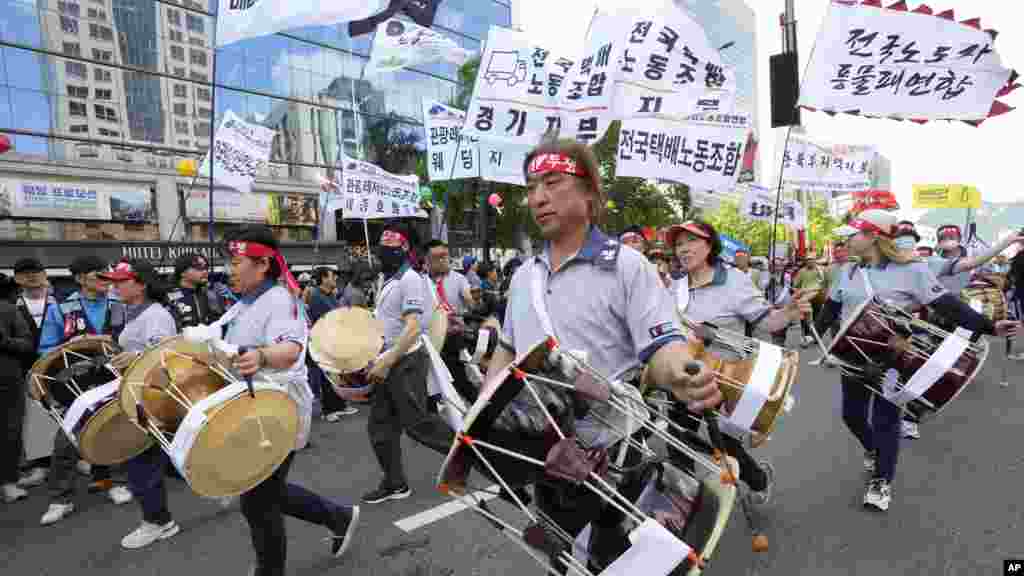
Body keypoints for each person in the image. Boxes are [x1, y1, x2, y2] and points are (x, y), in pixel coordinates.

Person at [488, 140, 719, 572]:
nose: (537, 196)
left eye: (552, 182)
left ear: (590, 195)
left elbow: (663, 348)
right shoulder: (523, 277)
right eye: (532, 186)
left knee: (620, 560)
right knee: (565, 561)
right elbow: (507, 348)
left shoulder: (628, 266)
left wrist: (682, 374)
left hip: (617, 452)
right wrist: (484, 416)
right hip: (547, 456)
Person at [814, 210, 1021, 512]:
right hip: (852, 355)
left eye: (854, 233)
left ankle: (881, 480)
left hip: (892, 354)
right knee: (852, 416)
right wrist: (811, 337)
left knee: (886, 419)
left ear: (873, 236)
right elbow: (830, 310)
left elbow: (948, 305)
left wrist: (989, 327)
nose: (847, 238)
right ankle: (874, 450)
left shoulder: (913, 270)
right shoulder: (847, 271)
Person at [209, 225, 359, 576]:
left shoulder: (280, 299)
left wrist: (261, 355)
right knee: (265, 494)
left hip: (277, 411)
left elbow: (290, 350)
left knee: (259, 502)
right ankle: (337, 517)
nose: (230, 268)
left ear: (262, 265)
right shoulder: (244, 304)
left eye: (236, 261)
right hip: (252, 409)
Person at [666, 219, 811, 507]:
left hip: (728, 378)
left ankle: (758, 479)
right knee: (677, 438)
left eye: (691, 241)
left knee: (727, 445)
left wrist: (790, 312)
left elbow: (767, 320)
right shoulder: (675, 285)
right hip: (685, 377)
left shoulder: (733, 280)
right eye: (679, 244)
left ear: (709, 245)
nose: (683, 249)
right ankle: (684, 507)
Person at [358, 225, 453, 504]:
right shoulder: (386, 280)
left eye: (390, 249)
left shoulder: (410, 279)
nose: (383, 254)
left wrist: (387, 360)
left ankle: (469, 454)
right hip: (386, 361)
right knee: (380, 427)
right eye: (381, 248)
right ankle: (395, 483)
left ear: (404, 251)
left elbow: (412, 328)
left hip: (405, 360)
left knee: (417, 423)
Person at [37, 256, 133, 526]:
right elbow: (45, 348)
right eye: (98, 275)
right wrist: (71, 346)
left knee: (115, 429)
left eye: (108, 275)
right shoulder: (60, 308)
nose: (106, 281)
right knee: (67, 437)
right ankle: (60, 498)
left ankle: (112, 481)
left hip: (112, 377)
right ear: (80, 278)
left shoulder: (119, 305)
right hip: (75, 382)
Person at [99, 260, 182, 549]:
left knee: (139, 461)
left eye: (121, 281)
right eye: (114, 281)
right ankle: (221, 480)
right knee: (167, 455)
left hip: (152, 398)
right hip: (140, 394)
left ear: (141, 284)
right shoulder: (134, 312)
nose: (115, 286)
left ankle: (159, 522)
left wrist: (132, 357)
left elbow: (164, 357)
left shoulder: (156, 315)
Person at [12, 257, 58, 489]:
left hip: (59, 368)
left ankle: (80, 457)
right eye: (25, 272)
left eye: (36, 271)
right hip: (26, 369)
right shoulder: (13, 305)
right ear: (17, 278)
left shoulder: (60, 300)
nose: (32, 276)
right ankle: (41, 464)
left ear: (45, 274)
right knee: (34, 418)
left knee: (66, 411)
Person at [425, 240, 478, 401]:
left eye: (445, 256)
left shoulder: (459, 279)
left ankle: (480, 412)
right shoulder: (421, 282)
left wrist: (471, 302)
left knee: (460, 380)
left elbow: (470, 300)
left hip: (453, 339)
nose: (442, 260)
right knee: (432, 386)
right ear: (427, 260)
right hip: (430, 341)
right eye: (437, 257)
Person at [307, 267, 358, 421]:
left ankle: (339, 405)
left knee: (337, 375)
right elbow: (326, 319)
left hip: (335, 341)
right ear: (323, 279)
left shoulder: (330, 295)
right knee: (327, 377)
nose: (335, 278)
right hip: (323, 341)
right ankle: (328, 411)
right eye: (332, 276)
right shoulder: (316, 296)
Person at [0, 284, 35, 503]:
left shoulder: (8, 310)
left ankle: (8, 482)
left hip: (7, 381)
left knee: (9, 431)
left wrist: (4, 341)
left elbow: (27, 345)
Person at [167, 253, 226, 328]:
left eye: (206, 268)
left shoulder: (209, 294)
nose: (205, 271)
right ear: (183, 272)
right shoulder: (169, 297)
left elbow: (219, 322)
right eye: (198, 268)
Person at [793, 257, 825, 348]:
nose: (810, 262)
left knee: (817, 319)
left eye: (812, 260)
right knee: (805, 321)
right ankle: (806, 338)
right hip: (805, 299)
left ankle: (816, 338)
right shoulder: (801, 271)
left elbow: (824, 283)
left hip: (818, 298)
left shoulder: (820, 270)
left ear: (815, 261)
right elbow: (796, 284)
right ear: (806, 262)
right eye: (808, 260)